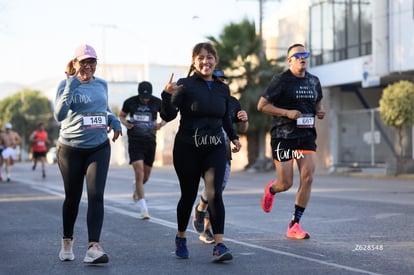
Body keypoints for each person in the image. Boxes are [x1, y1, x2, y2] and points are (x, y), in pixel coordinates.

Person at [161, 42, 241, 262]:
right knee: (187, 195)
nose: (205, 61)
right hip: (187, 147)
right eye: (200, 58)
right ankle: (181, 237)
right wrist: (166, 95)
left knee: (215, 193)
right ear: (194, 62)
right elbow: (168, 116)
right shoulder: (184, 85)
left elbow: (225, 117)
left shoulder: (222, 88)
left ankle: (219, 245)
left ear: (215, 60)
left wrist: (233, 137)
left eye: (209, 57)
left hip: (215, 146)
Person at [54, 44, 122, 264]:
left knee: (96, 195)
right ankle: (67, 240)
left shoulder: (101, 84)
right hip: (70, 149)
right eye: (83, 62)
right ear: (74, 64)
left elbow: (103, 109)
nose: (88, 66)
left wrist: (113, 120)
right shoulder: (65, 85)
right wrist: (70, 85)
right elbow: (59, 115)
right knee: (72, 198)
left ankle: (93, 247)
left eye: (92, 62)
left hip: (99, 147)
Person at [257, 43, 325, 240]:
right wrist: (286, 112)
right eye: (297, 55)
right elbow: (262, 105)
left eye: (305, 54)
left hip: (306, 136)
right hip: (283, 137)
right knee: (286, 183)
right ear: (289, 61)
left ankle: (294, 224)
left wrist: (319, 110)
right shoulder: (281, 81)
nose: (302, 57)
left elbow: (318, 100)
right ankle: (271, 189)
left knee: (308, 177)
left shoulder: (314, 81)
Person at [192, 69, 249, 244]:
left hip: (223, 152)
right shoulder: (200, 97)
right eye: (218, 79)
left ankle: (202, 211)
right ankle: (206, 225)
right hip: (202, 149)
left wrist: (245, 120)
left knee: (218, 189)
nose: (222, 82)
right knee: (212, 188)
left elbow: (241, 129)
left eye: (224, 80)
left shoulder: (232, 102)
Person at [119, 81, 166, 219]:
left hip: (150, 141)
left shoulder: (157, 102)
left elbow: (167, 116)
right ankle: (143, 208)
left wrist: (160, 125)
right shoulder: (130, 102)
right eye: (142, 97)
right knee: (139, 173)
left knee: (145, 176)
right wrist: (125, 123)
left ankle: (136, 188)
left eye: (147, 97)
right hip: (135, 141)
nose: (145, 100)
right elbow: (121, 115)